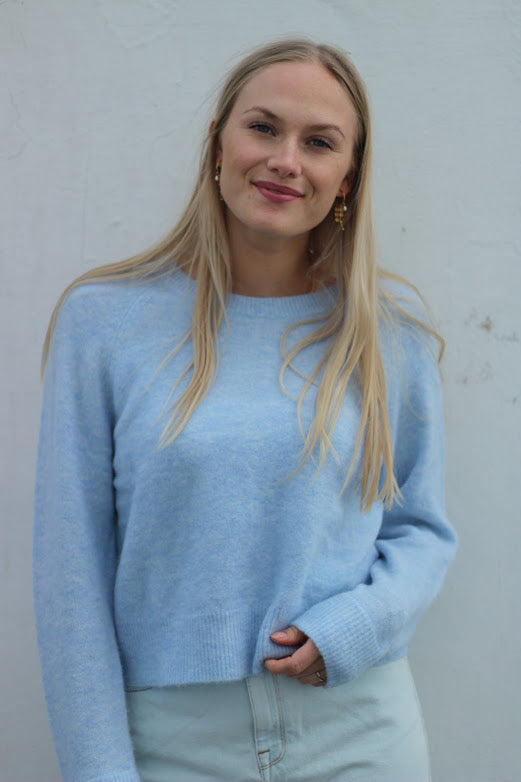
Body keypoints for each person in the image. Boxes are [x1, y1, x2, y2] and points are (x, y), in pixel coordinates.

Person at [33, 39, 457, 782]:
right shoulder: (103, 322)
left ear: (348, 175)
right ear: (217, 144)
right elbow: (71, 578)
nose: (285, 160)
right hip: (170, 740)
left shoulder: (387, 333)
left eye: (318, 142)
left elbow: (420, 529)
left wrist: (356, 626)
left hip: (358, 729)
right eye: (263, 128)